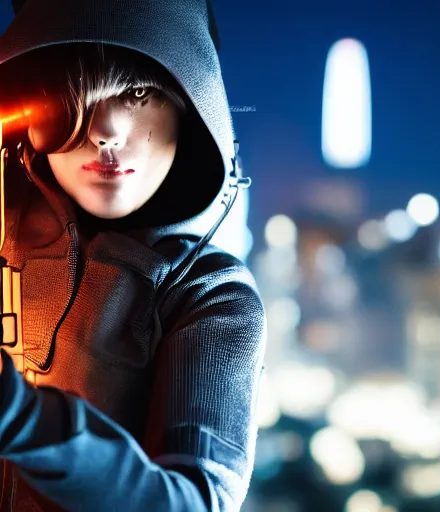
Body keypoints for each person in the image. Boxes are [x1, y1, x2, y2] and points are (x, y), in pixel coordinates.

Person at [0, 0, 266, 510]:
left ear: (188, 104)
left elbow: (195, 500)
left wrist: (20, 418)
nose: (107, 132)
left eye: (139, 92)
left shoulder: (208, 298)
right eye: (77, 91)